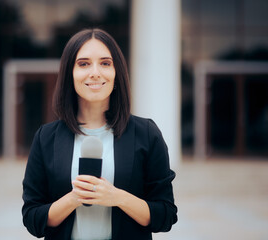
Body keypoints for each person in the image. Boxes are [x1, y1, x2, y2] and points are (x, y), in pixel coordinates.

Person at [22, 28, 177, 240]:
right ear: (70, 74)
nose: (95, 72)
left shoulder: (146, 134)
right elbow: (32, 218)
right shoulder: (46, 137)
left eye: (105, 63)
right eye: (83, 63)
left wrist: (116, 197)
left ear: (117, 74)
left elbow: (165, 215)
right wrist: (74, 198)